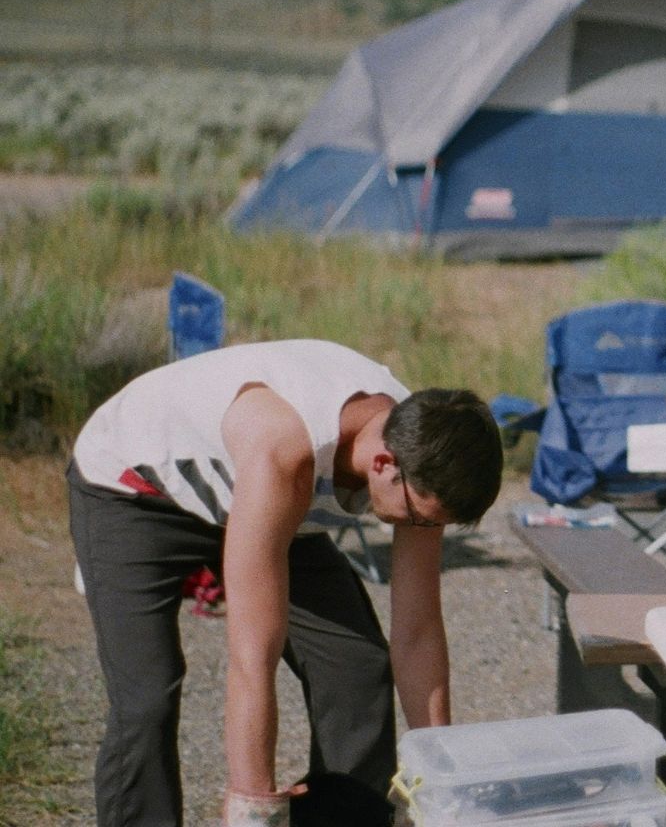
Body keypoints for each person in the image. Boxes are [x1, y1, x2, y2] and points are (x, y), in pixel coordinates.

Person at [66, 338, 505, 826]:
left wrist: (440, 781)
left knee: (355, 667)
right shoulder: (285, 447)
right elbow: (253, 655)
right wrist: (254, 808)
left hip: (265, 506)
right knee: (146, 697)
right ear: (383, 464)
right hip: (137, 492)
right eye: (417, 518)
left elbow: (418, 630)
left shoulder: (425, 453)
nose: (419, 529)